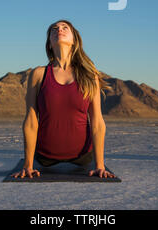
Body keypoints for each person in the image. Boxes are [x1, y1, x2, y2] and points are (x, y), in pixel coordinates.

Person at [11, 19, 115, 179]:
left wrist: (100, 165)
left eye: (65, 28)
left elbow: (97, 121)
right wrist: (28, 166)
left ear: (74, 41)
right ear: (50, 44)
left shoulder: (89, 75)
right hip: (44, 157)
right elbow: (31, 120)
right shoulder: (38, 74)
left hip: (83, 157)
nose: (59, 30)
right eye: (54, 29)